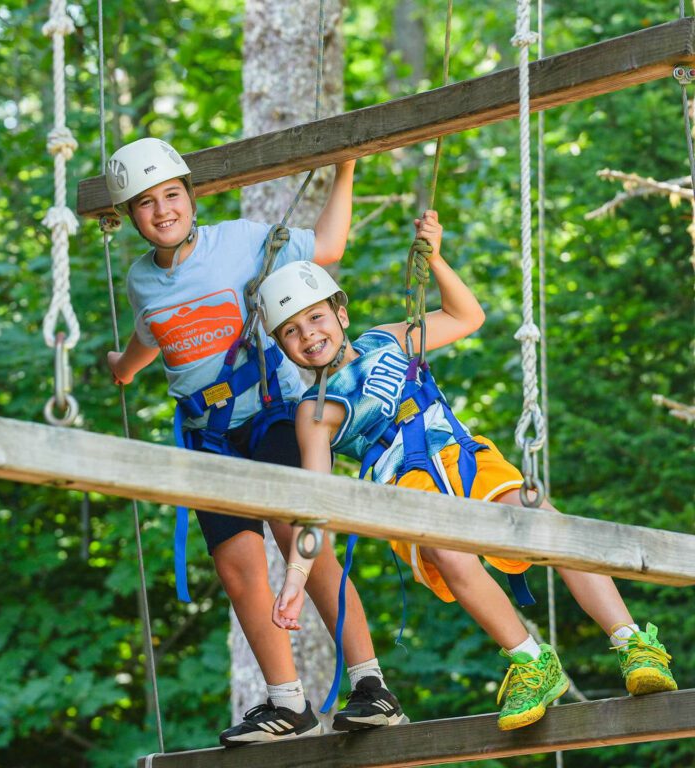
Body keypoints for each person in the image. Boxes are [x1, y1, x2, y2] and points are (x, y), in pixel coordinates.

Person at [257, 209, 678, 732]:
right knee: (447, 554)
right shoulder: (313, 412)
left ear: (340, 314)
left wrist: (436, 261)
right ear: (283, 348)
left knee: (543, 520)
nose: (308, 335)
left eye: (316, 318)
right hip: (405, 488)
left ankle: (634, 644)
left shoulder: (387, 338)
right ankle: (530, 661)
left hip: (462, 456)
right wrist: (296, 578)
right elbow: (315, 500)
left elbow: (466, 317)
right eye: (292, 332)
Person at [104, 137, 407, 746]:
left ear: (191, 196)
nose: (163, 212)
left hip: (271, 415)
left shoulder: (239, 243)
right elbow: (153, 331)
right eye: (145, 204)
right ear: (129, 216)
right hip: (206, 436)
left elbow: (327, 248)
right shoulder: (141, 281)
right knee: (239, 570)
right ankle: (287, 702)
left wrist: (344, 166)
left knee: (304, 539)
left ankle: (371, 684)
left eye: (171, 196)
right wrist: (125, 367)